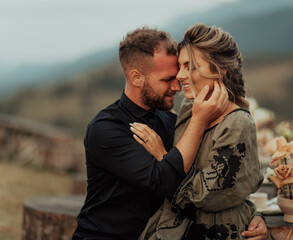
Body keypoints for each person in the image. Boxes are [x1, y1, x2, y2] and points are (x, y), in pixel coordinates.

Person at [73, 26, 266, 240]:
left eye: (184, 70)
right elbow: (165, 181)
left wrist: (251, 215)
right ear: (137, 78)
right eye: (167, 79)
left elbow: (220, 182)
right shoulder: (106, 129)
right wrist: (199, 120)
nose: (178, 85)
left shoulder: (172, 121)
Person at [133, 24, 266, 240]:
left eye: (190, 66)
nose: (181, 75)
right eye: (180, 66)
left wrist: (163, 158)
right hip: (173, 228)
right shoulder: (189, 107)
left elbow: (210, 194)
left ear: (221, 68)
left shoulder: (238, 123)